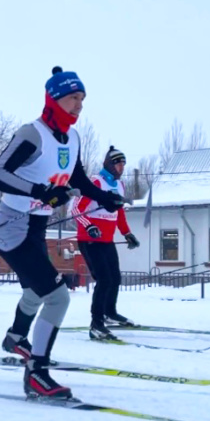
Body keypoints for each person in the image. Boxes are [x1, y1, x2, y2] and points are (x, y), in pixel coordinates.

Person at [0, 66, 124, 399]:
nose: (79, 106)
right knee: (57, 296)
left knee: (39, 290)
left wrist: (105, 197)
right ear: (54, 99)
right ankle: (37, 372)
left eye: (82, 99)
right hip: (12, 226)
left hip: (35, 227)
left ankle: (16, 338)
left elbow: (77, 179)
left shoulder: (73, 138)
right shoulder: (31, 134)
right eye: (73, 98)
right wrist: (40, 191)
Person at [71, 145, 140, 339]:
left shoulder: (120, 186)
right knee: (104, 279)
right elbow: (76, 209)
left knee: (115, 278)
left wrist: (127, 233)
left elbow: (118, 212)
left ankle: (110, 313)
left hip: (107, 240)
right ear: (109, 164)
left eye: (124, 164)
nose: (122, 168)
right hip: (89, 239)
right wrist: (89, 226)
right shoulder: (95, 182)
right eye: (118, 164)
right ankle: (96, 323)